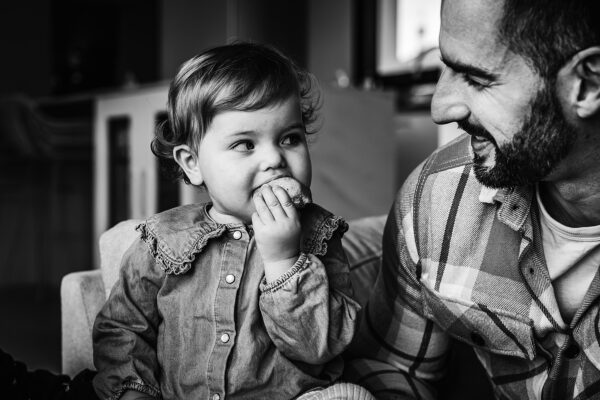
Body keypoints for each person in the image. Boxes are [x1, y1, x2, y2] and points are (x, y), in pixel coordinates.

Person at [344, 0, 600, 399]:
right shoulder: (435, 197)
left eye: (476, 79)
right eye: (445, 66)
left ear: (588, 84)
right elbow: (392, 368)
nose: (440, 108)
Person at [92, 42, 374, 400]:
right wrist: (135, 390)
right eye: (245, 144)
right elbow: (123, 327)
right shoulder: (162, 239)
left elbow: (321, 347)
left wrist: (284, 261)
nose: (275, 159)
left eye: (290, 138)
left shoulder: (318, 235)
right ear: (192, 163)